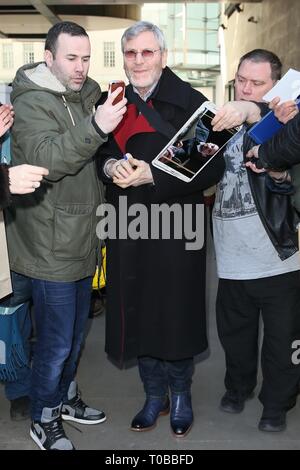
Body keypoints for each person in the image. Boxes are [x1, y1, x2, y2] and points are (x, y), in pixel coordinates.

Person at [97, 21, 225, 438]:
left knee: (175, 313)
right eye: (131, 53)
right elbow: (97, 149)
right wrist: (111, 165)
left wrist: (152, 178)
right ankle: (154, 396)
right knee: (138, 309)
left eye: (147, 52)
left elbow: (214, 164)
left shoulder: (191, 101)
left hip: (177, 227)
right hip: (126, 226)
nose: (138, 61)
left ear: (163, 56)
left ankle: (181, 395)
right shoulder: (110, 100)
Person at [5, 21, 127, 450]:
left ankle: (65, 397)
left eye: (86, 57)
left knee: (76, 335)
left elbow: (101, 151)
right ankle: (44, 416)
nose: (80, 67)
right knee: (55, 341)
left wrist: (112, 158)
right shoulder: (32, 101)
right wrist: (96, 127)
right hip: (48, 240)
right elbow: (47, 161)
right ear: (49, 56)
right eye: (71, 58)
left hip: (84, 234)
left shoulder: (89, 91)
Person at [212, 49, 300, 432]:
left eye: (257, 83)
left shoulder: (286, 122)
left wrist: (280, 173)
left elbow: (290, 177)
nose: (246, 88)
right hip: (231, 257)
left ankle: (276, 404)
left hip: (279, 255)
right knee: (235, 336)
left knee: (283, 342)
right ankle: (238, 388)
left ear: (277, 87)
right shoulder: (220, 121)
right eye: (241, 80)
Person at [0, 105, 48, 421]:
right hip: (9, 240)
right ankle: (18, 386)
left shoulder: (14, 121)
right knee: (10, 315)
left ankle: (24, 385)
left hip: (24, 237)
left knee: (16, 313)